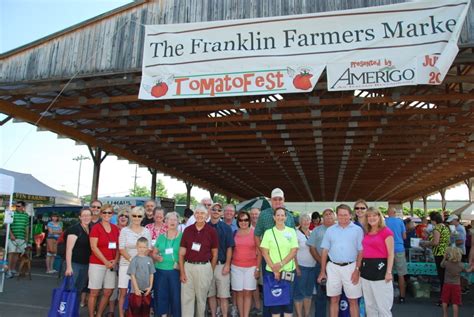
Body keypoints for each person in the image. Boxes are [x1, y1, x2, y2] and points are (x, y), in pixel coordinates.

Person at [254, 188, 295, 317]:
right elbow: (256, 234)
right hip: (269, 264)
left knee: (287, 296)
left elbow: (293, 246)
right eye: (275, 199)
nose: (277, 201)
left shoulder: (290, 216)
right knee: (270, 295)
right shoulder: (264, 215)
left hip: (287, 265)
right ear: (271, 200)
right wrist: (263, 253)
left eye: (280, 199)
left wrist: (287, 264)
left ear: (284, 200)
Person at [317, 204, 363, 317]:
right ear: (337, 215)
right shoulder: (330, 230)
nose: (343, 217)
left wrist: (357, 270)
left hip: (351, 267)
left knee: (353, 301)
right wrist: (322, 271)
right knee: (334, 299)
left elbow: (361, 251)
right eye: (340, 215)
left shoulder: (358, 230)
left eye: (345, 215)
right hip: (333, 268)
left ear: (350, 215)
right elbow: (324, 251)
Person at [179, 204, 218, 317]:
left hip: (204, 267)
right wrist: (182, 272)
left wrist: (210, 270)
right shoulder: (187, 230)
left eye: (202, 213)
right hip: (188, 267)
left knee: (201, 299)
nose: (199, 215)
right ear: (194, 215)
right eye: (197, 213)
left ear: (207, 216)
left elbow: (215, 254)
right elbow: (181, 253)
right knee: (186, 298)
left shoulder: (211, 231)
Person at [260, 207, 298, 317]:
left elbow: (294, 250)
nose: (280, 217)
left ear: (286, 217)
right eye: (278, 215)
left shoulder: (291, 231)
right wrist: (274, 269)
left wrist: (281, 265)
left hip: (288, 271)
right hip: (271, 272)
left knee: (288, 300)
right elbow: (264, 252)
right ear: (274, 217)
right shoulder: (268, 232)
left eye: (282, 215)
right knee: (275, 301)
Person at [360, 207, 394, 317]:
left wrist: (388, 272)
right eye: (369, 216)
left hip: (381, 272)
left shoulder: (386, 232)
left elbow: (391, 254)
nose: (371, 218)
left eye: (374, 215)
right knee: (370, 306)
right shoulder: (366, 232)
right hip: (366, 272)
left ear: (379, 217)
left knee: (383, 306)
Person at [118, 206, 151, 317]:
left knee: (137, 293)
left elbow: (149, 248)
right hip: (126, 265)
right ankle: (122, 315)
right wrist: (133, 261)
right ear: (131, 216)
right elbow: (121, 248)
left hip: (141, 268)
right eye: (134, 215)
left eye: (139, 216)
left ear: (143, 217)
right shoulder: (124, 230)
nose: (136, 218)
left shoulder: (146, 231)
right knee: (123, 292)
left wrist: (139, 262)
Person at [88, 204, 120, 317]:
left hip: (111, 265)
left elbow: (118, 247)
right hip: (97, 264)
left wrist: (115, 261)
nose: (107, 215)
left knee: (108, 291)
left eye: (109, 212)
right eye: (104, 212)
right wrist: (105, 261)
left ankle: (99, 314)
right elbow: (93, 247)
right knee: (94, 292)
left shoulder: (116, 229)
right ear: (101, 214)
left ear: (112, 214)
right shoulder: (96, 228)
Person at [207, 202, 235, 317]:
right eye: (214, 209)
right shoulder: (204, 226)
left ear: (221, 213)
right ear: (210, 211)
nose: (216, 212)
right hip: (207, 266)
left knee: (223, 296)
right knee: (211, 294)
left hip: (221, 266)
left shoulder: (226, 228)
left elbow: (229, 248)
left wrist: (227, 265)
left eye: (219, 210)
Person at [152, 211, 182, 317]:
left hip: (175, 271)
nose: (172, 221)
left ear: (178, 222)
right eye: (170, 219)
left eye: (175, 219)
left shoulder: (182, 237)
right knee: (161, 295)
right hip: (160, 270)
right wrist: (156, 257)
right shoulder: (161, 237)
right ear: (166, 221)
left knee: (175, 297)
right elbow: (154, 253)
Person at [232, 211, 261, 317]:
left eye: (246, 220)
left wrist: (257, 269)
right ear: (238, 221)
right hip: (236, 267)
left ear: (249, 221)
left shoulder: (255, 233)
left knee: (248, 293)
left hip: (251, 267)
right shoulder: (234, 233)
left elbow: (260, 252)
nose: (243, 222)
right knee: (239, 293)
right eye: (241, 220)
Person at [307, 208, 336, 317]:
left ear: (334, 216)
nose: (328, 216)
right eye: (326, 214)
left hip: (338, 266)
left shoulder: (340, 228)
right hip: (320, 265)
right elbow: (312, 247)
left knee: (337, 295)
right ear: (322, 218)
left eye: (330, 214)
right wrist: (321, 261)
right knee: (320, 295)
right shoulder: (317, 230)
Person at [64, 207, 92, 311]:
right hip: (74, 264)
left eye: (88, 215)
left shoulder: (90, 229)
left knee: (79, 290)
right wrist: (68, 267)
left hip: (86, 265)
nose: (86, 217)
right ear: (80, 217)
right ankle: (65, 311)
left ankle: (72, 310)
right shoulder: (75, 229)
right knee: (70, 289)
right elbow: (69, 249)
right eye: (84, 215)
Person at [420, 211, 450, 305]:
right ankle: (446, 298)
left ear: (434, 221)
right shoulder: (445, 227)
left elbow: (436, 242)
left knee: (442, 278)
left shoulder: (437, 228)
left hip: (439, 254)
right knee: (446, 277)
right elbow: (446, 241)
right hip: (446, 253)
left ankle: (443, 299)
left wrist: (426, 243)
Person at [108, 206, 130, 316]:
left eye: (126, 216)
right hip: (113, 262)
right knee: (113, 287)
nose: (123, 217)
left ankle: (125, 311)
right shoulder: (113, 228)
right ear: (118, 217)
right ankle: (111, 311)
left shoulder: (130, 230)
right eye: (121, 215)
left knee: (124, 290)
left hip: (126, 263)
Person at [294, 213, 316, 317]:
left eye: (308, 220)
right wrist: (297, 267)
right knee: (299, 293)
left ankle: (306, 315)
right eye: (304, 220)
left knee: (308, 294)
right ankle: (299, 315)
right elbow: (293, 252)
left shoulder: (312, 233)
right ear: (300, 221)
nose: (306, 222)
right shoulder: (296, 233)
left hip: (312, 268)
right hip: (301, 267)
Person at [127, 237, 156, 317]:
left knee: (146, 310)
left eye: (144, 247)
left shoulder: (149, 260)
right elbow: (132, 275)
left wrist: (150, 287)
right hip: (136, 291)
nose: (142, 249)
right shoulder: (134, 260)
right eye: (140, 247)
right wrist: (136, 289)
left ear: (147, 248)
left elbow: (151, 274)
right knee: (136, 309)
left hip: (146, 290)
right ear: (136, 247)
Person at [440, 247, 473, 317]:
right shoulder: (461, 265)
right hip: (456, 286)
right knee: (455, 302)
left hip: (446, 284)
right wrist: (472, 268)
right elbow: (467, 271)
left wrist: (444, 258)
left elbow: (441, 265)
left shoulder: (446, 263)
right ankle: (455, 315)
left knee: (445, 300)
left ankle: (445, 314)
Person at [385, 207, 407, 303]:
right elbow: (404, 236)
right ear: (395, 213)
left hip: (387, 249)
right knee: (401, 274)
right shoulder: (400, 222)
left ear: (387, 213)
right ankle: (402, 296)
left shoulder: (385, 222)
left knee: (390, 272)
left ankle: (390, 296)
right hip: (399, 249)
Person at [6, 201, 30, 279]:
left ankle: (12, 269)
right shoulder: (12, 213)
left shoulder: (26, 215)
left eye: (19, 206)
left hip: (21, 237)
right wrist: (11, 234)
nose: (17, 207)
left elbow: (26, 227)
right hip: (12, 238)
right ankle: (8, 270)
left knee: (17, 253)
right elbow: (7, 225)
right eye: (16, 206)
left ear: (23, 207)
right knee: (11, 253)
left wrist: (26, 237)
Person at [249, 207, 262, 315]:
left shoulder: (263, 227)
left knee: (263, 283)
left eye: (256, 214)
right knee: (254, 284)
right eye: (252, 214)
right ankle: (256, 306)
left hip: (263, 259)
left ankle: (262, 307)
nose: (254, 216)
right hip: (251, 259)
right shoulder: (247, 227)